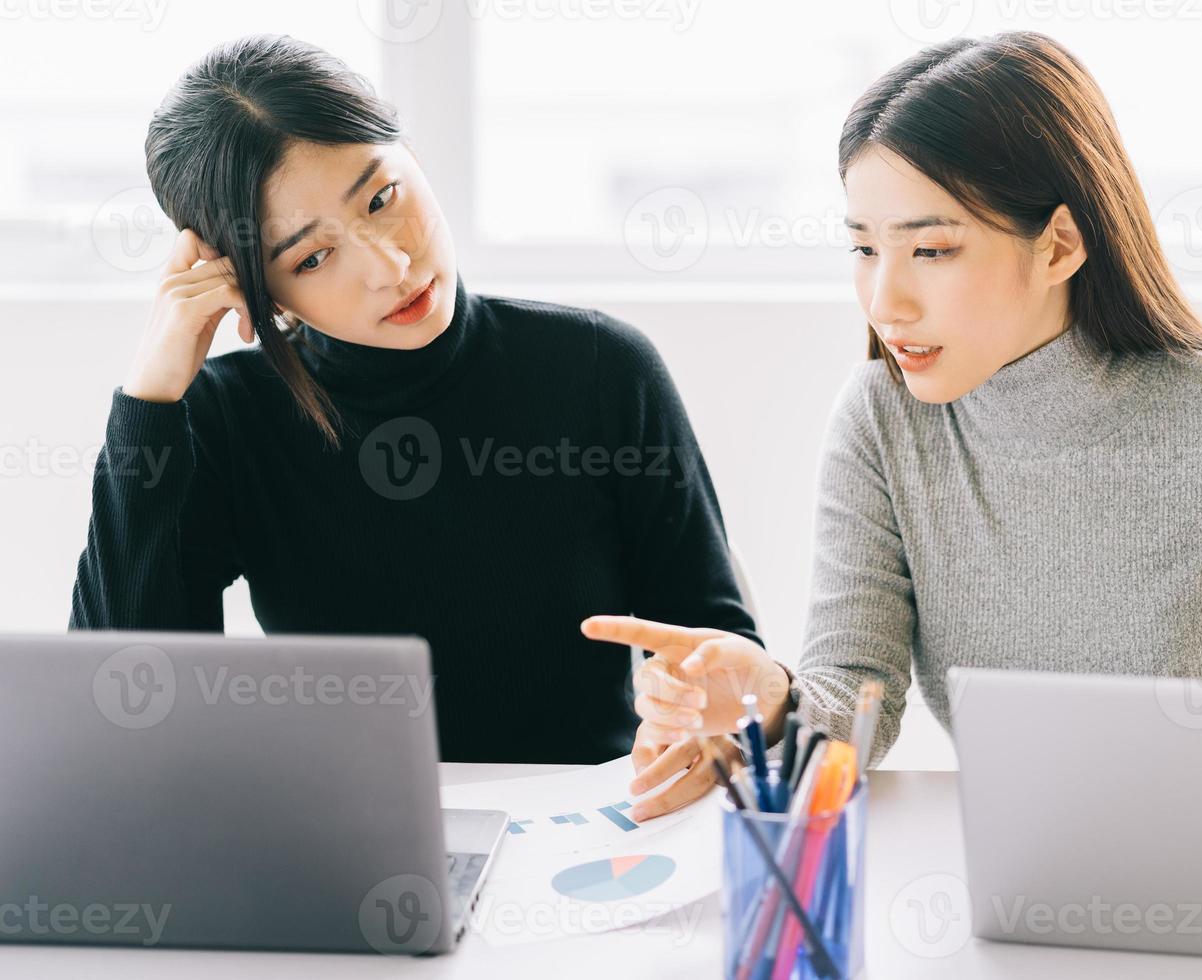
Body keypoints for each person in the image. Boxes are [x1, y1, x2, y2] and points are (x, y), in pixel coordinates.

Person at [583, 31, 1202, 818]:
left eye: (932, 250)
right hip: (1030, 864)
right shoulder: (882, 422)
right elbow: (856, 697)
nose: (885, 301)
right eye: (865, 248)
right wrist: (772, 698)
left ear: (1059, 245)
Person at [69, 34, 758, 764]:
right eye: (313, 256)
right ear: (259, 290)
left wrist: (699, 725)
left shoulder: (599, 367)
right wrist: (149, 397)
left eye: (381, 197)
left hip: (590, 840)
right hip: (344, 846)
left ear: (415, 157)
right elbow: (124, 716)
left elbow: (724, 659)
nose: (390, 265)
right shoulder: (229, 418)